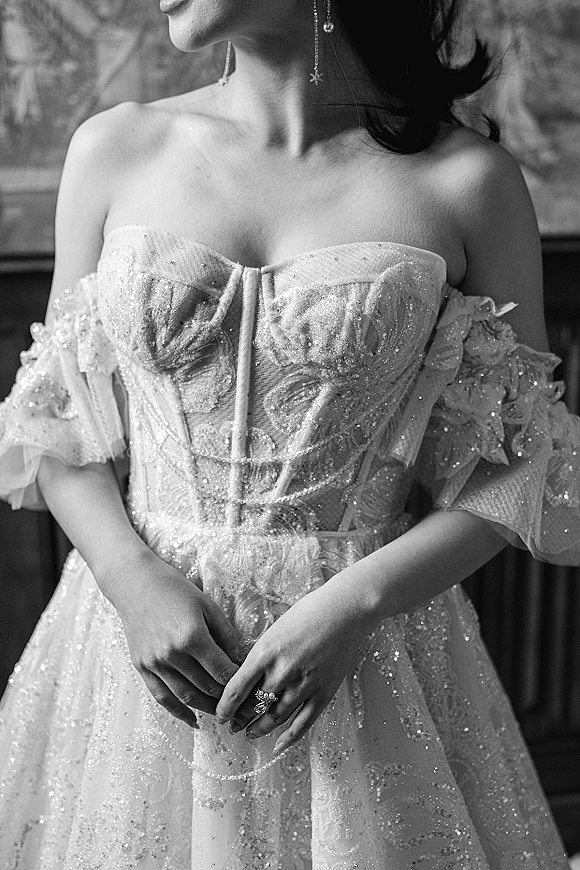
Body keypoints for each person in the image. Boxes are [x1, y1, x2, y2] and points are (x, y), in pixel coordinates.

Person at [0, 0, 577, 866]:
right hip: (137, 651)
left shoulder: (468, 183)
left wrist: (356, 604)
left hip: (367, 655)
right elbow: (57, 424)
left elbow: (523, 463)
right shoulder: (115, 147)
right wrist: (128, 578)